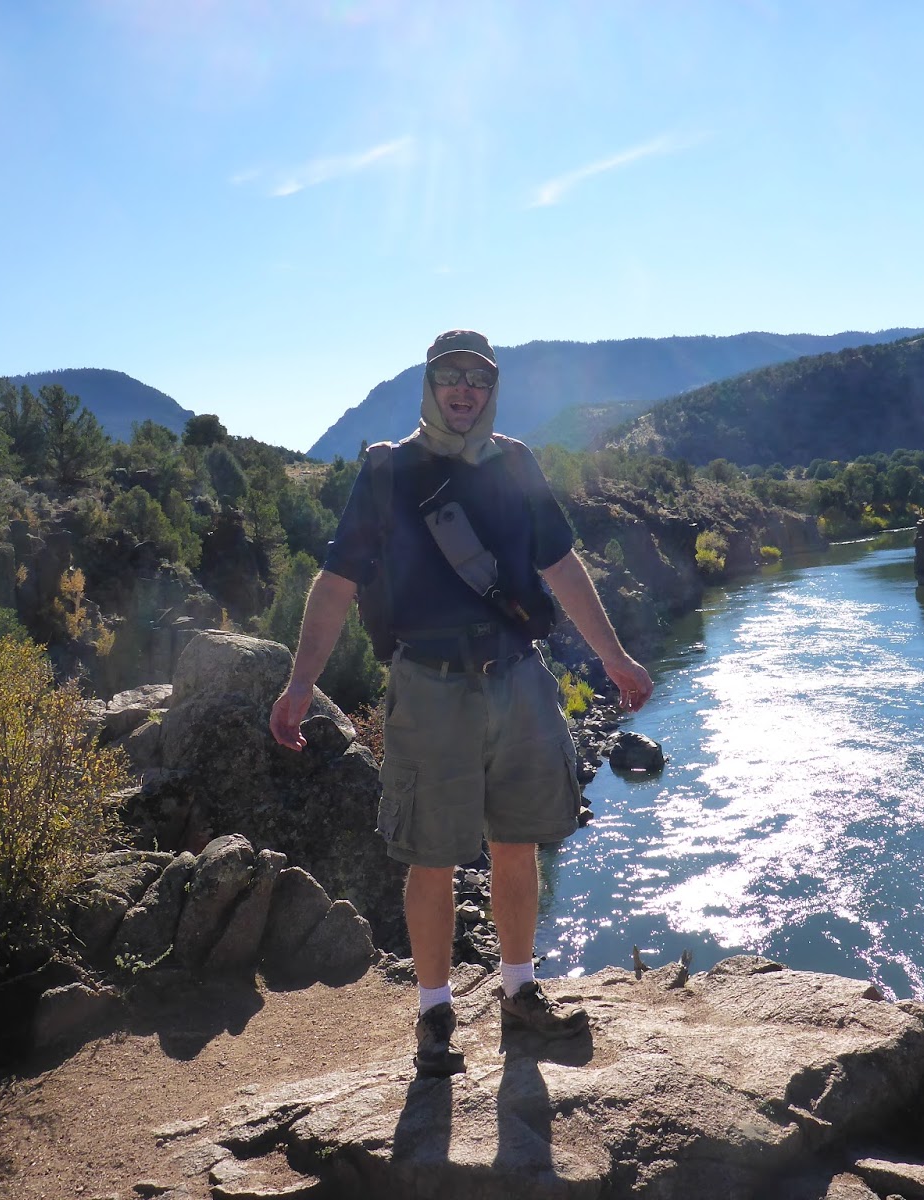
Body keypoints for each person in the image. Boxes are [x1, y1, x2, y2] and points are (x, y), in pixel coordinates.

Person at [269, 328, 654, 1077]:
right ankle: (435, 1013)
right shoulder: (386, 472)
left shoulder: (516, 463)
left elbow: (562, 565)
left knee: (517, 841)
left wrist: (613, 656)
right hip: (428, 684)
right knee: (432, 856)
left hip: (519, 675)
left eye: (478, 377)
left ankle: (518, 994)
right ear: (429, 384)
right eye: (451, 375)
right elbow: (336, 583)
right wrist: (299, 681)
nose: (464, 388)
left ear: (492, 389)